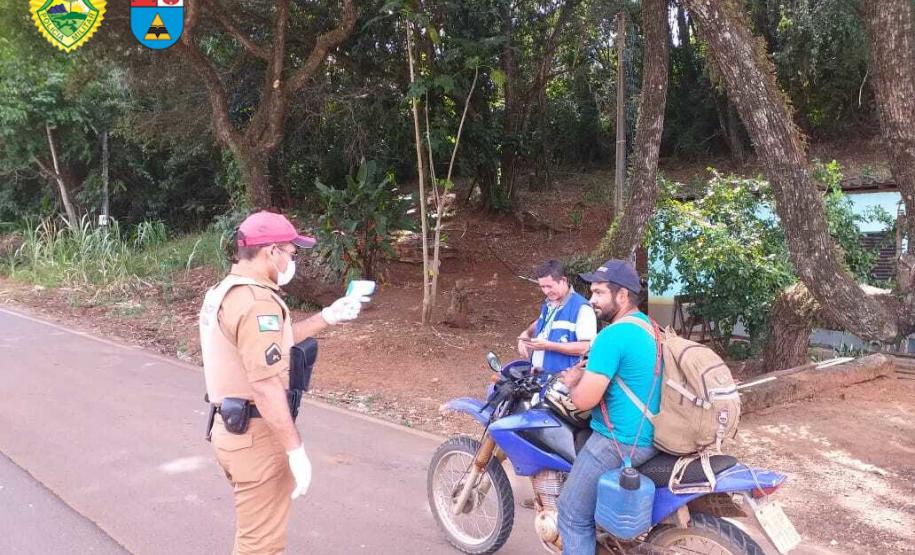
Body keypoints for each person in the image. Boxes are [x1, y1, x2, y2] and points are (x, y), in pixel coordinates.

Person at [199, 210, 366, 555]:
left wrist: (328, 316)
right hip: (256, 437)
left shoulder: (226, 291)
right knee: (262, 546)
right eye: (291, 252)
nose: (293, 260)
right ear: (271, 251)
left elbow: (273, 344)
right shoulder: (258, 302)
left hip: (230, 429)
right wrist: (295, 449)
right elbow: (264, 384)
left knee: (253, 534)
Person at [556, 259, 661, 554]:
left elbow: (584, 400)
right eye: (591, 293)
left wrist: (574, 381)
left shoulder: (612, 336)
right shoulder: (651, 327)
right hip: (654, 433)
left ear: (623, 296)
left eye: (599, 293)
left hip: (621, 441)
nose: (591, 301)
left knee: (572, 515)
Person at [517, 260, 597, 376]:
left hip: (562, 384)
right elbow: (539, 323)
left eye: (549, 286)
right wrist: (525, 335)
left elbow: (585, 348)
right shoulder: (548, 304)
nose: (546, 291)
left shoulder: (582, 308)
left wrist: (549, 346)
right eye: (542, 287)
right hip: (538, 379)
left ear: (563, 280)